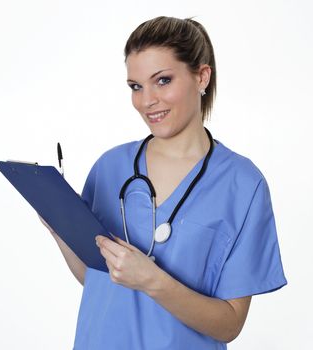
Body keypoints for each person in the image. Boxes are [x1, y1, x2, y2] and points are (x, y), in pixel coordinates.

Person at [41, 15, 287, 349]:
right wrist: (59, 229)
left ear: (202, 76)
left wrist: (154, 281)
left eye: (163, 80)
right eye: (136, 86)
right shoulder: (110, 167)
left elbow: (229, 324)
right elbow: (97, 280)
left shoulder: (243, 185)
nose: (146, 101)